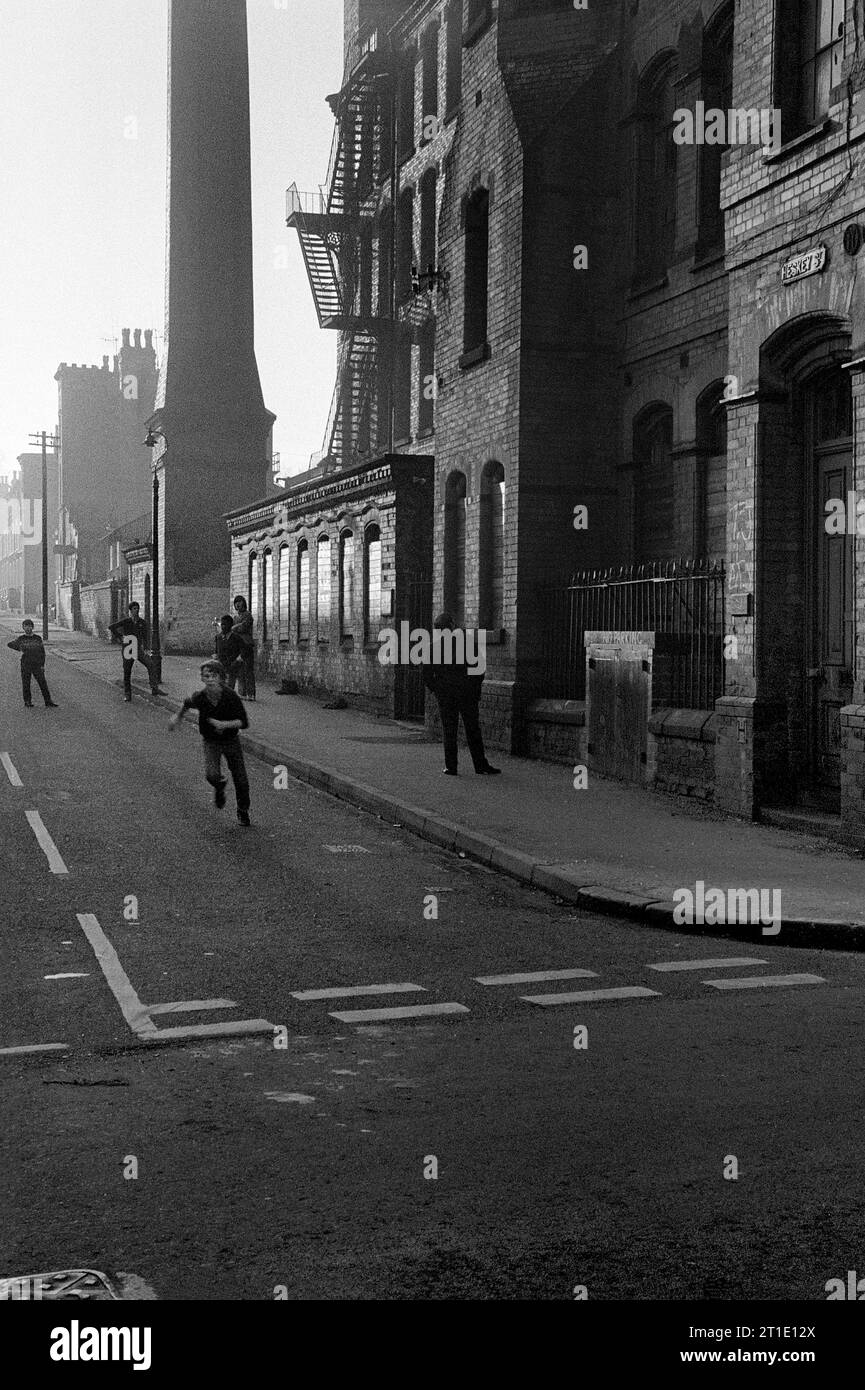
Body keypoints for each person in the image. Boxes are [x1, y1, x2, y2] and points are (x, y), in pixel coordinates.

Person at [168, 659, 251, 825]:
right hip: (211, 741)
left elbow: (244, 722)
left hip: (231, 741)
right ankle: (220, 787)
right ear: (202, 679)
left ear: (221, 677)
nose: (210, 679)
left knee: (241, 779)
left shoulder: (230, 696)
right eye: (206, 676)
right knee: (212, 775)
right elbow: (186, 704)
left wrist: (224, 724)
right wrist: (177, 717)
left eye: (214, 675)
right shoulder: (200, 697)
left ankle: (243, 810)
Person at [422, 611, 500, 776]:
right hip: (467, 694)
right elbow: (479, 669)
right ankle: (480, 765)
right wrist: (473, 688)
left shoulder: (432, 648)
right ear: (451, 626)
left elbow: (427, 676)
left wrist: (438, 690)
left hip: (446, 696)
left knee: (449, 731)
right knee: (473, 729)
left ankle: (451, 767)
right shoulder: (467, 644)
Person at [7, 619, 58, 708]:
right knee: (26, 683)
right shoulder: (21, 638)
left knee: (43, 683)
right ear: (23, 627)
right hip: (25, 664)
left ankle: (48, 701)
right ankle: (27, 701)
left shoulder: (37, 638)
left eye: (29, 626)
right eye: (26, 626)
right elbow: (10, 644)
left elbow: (42, 652)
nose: (28, 628)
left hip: (37, 664)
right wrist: (19, 648)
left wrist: (42, 665)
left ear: (32, 627)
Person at [108, 601, 152, 702]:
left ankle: (153, 686)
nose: (136, 611)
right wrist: (120, 636)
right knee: (127, 672)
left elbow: (145, 636)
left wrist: (146, 648)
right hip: (128, 649)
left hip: (138, 650)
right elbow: (111, 627)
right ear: (131, 610)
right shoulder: (126, 621)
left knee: (149, 664)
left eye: (137, 608)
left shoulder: (142, 622)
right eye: (134, 609)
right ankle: (127, 694)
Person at [231, 595, 256, 700]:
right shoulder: (235, 617)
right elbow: (231, 630)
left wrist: (235, 627)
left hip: (247, 645)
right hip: (238, 646)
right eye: (236, 602)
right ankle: (242, 692)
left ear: (243, 603)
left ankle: (251, 694)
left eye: (239, 602)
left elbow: (243, 627)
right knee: (240, 670)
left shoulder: (248, 615)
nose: (238, 604)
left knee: (248, 670)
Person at [213, 615, 244, 691]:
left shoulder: (236, 638)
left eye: (225, 625)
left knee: (228, 690)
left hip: (231, 668)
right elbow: (217, 651)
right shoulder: (218, 637)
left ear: (230, 625)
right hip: (220, 667)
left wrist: (237, 660)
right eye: (222, 624)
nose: (223, 627)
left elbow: (244, 651)